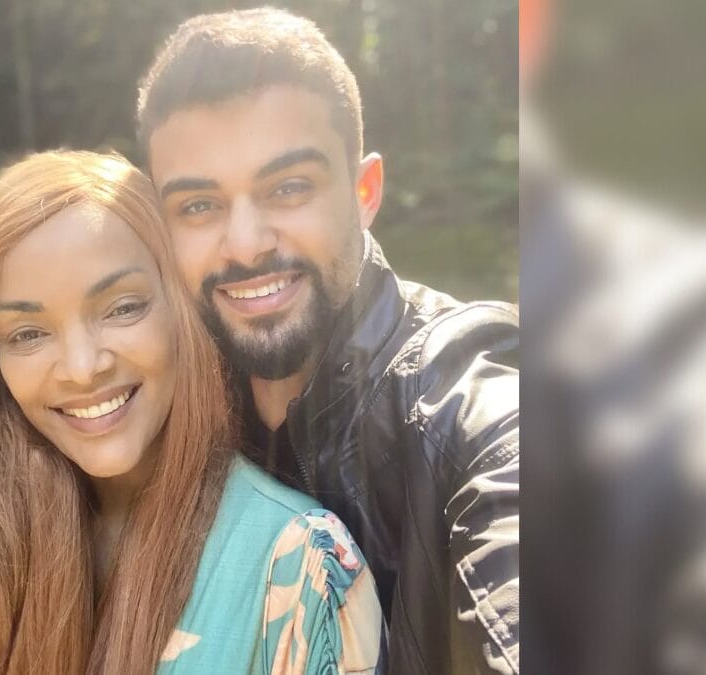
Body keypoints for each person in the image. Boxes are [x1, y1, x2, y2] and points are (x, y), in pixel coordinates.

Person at [136, 9, 520, 674]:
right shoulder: (155, 415)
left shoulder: (461, 400)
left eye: (288, 188)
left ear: (364, 191)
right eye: (199, 205)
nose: (246, 244)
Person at [0, 150, 383, 674]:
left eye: (122, 308)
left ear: (181, 308)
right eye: (28, 334)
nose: (82, 368)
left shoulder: (300, 568)